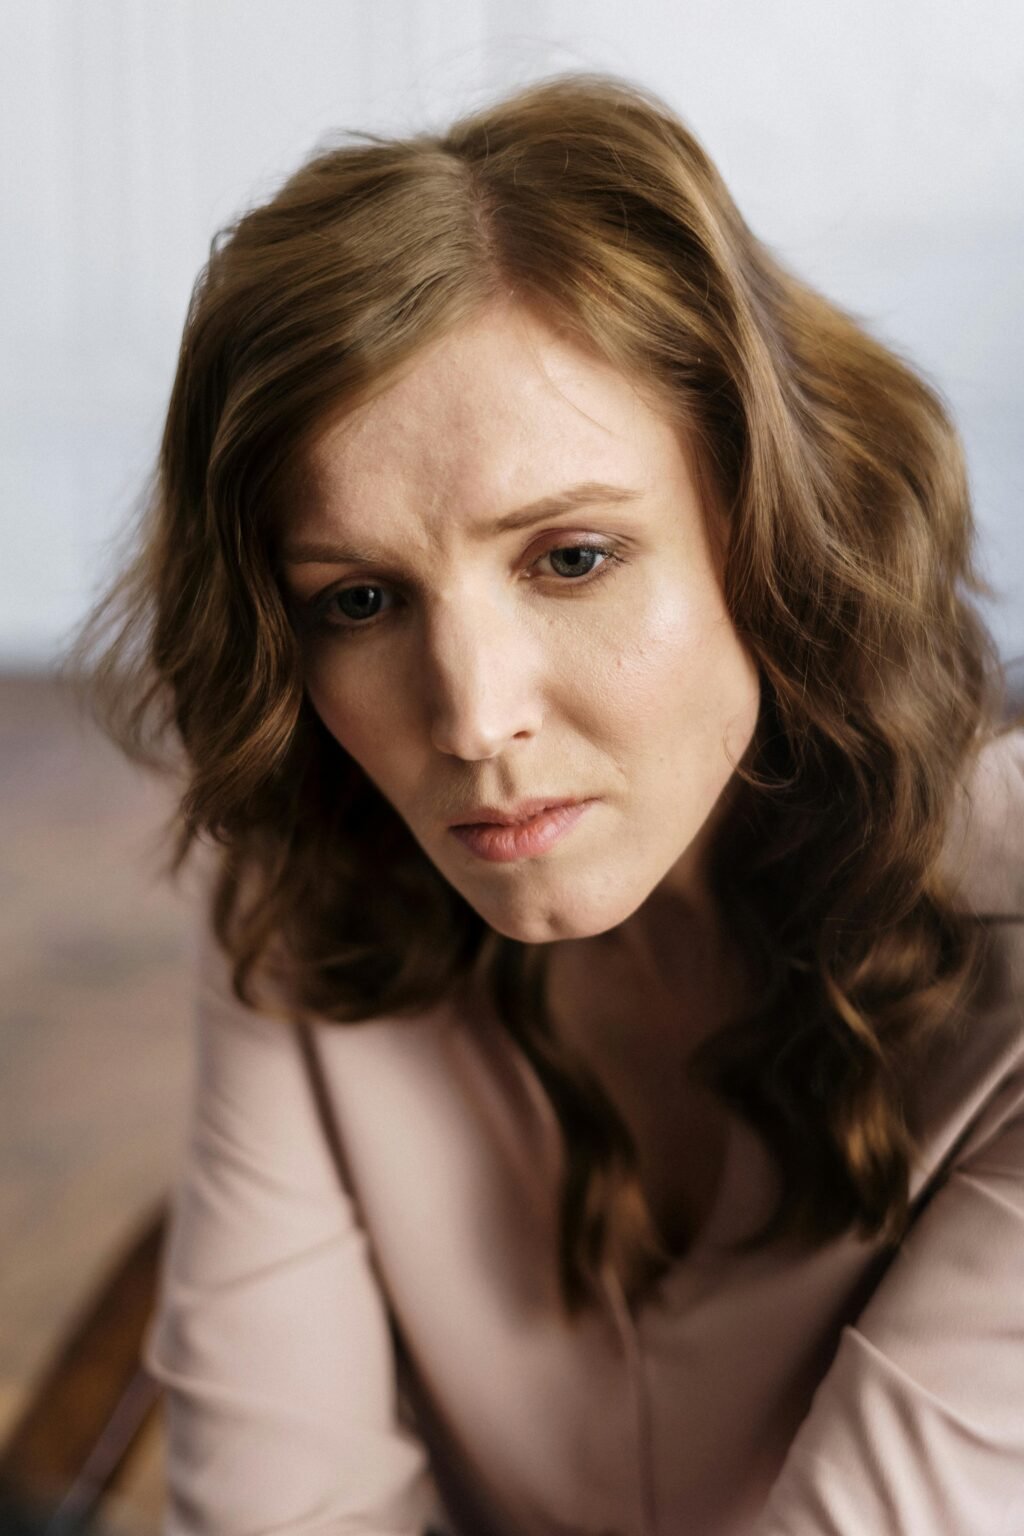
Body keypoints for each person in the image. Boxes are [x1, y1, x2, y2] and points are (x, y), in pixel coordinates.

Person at [69, 71, 1024, 1536]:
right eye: (362, 599)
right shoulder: (305, 897)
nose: (472, 717)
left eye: (571, 559)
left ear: (770, 530)